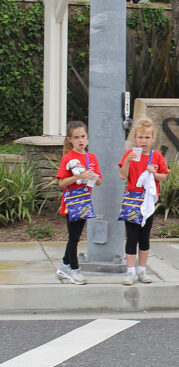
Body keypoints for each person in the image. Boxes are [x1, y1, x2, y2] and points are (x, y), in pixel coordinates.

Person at [119, 117, 169, 285]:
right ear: (135, 137)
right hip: (132, 200)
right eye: (140, 137)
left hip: (147, 202)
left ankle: (142, 270)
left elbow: (163, 176)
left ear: (153, 138)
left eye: (147, 137)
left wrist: (154, 174)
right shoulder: (130, 154)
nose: (143, 141)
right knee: (132, 237)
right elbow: (123, 176)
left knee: (145, 237)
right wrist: (127, 161)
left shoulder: (157, 156)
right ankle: (130, 271)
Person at [56, 121, 102, 285]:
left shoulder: (91, 157)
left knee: (75, 236)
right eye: (76, 137)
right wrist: (77, 176)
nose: (80, 140)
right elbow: (61, 183)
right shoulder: (68, 158)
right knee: (74, 237)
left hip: (84, 201)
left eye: (83, 136)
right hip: (71, 203)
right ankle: (73, 270)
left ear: (87, 137)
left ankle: (64, 265)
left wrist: (91, 177)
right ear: (70, 139)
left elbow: (99, 181)